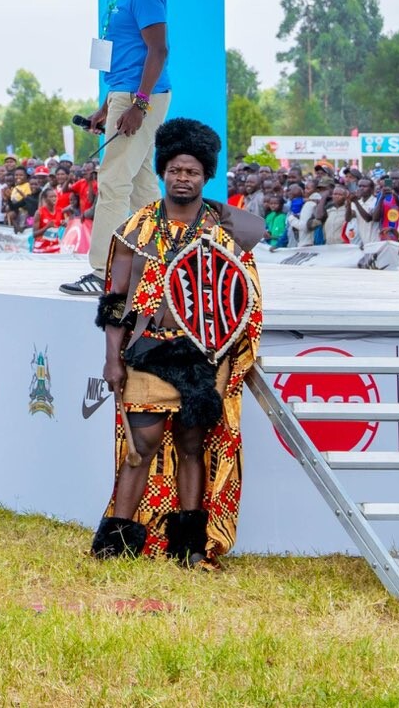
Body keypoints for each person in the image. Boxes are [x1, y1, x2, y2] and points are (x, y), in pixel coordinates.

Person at [91, 117, 261, 568]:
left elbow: (242, 294)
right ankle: (116, 544)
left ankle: (188, 547)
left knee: (192, 447)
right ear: (163, 171)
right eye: (175, 170)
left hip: (204, 356)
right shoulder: (136, 229)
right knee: (139, 449)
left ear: (206, 176)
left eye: (192, 172)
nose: (183, 178)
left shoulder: (224, 230)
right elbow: (115, 299)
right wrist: (112, 359)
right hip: (148, 351)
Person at [64, 0, 171, 295]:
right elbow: (127, 58)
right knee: (141, 184)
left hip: (140, 97)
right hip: (125, 93)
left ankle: (104, 272)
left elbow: (158, 50)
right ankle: (162, 263)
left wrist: (139, 104)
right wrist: (107, 105)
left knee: (112, 182)